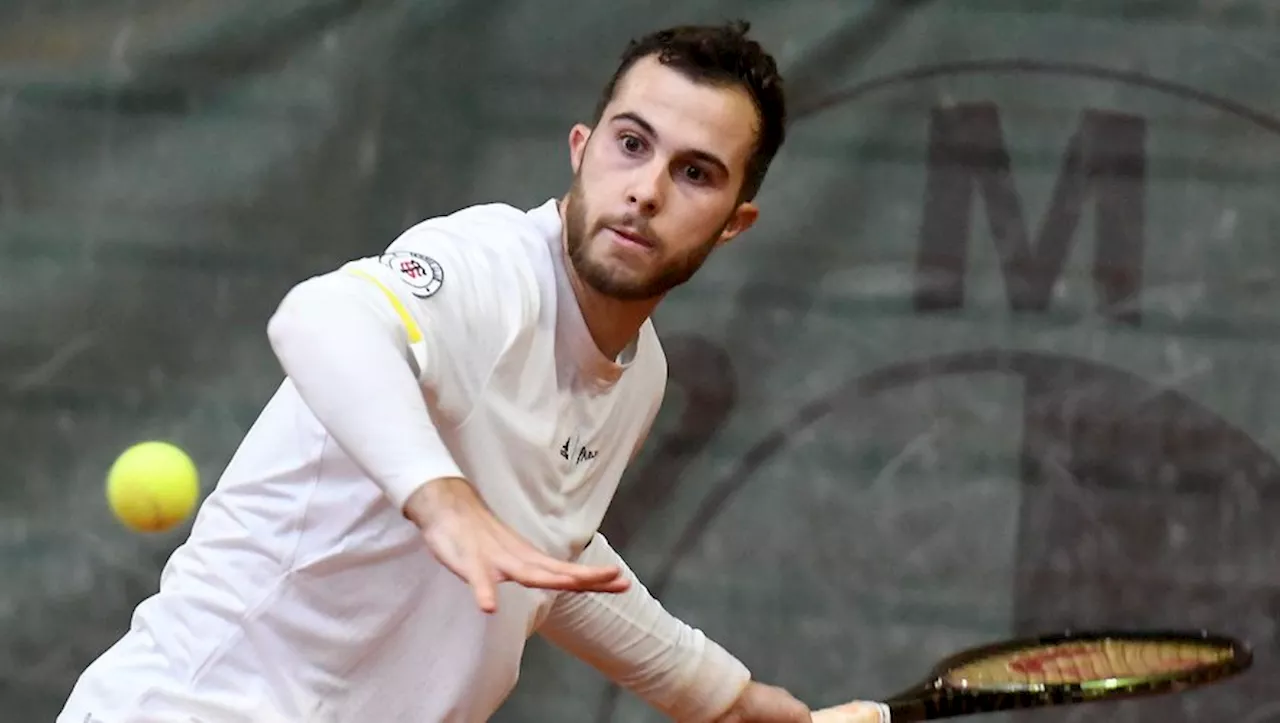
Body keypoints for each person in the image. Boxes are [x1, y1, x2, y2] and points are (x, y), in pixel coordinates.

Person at [57, 20, 884, 723]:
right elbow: (320, 317)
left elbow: (550, 560)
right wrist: (442, 499)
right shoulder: (488, 268)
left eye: (694, 172)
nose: (646, 190)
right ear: (582, 149)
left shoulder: (640, 378)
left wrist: (729, 699)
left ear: (736, 222)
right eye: (632, 145)